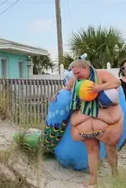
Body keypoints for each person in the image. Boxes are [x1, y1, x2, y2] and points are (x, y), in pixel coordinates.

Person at [52, 58, 122, 187]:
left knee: (110, 148)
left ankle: (115, 173)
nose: (76, 76)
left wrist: (99, 88)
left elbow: (117, 82)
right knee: (92, 149)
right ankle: (93, 179)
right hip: (85, 118)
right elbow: (67, 88)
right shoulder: (76, 80)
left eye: (78, 73)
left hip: (105, 117)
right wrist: (58, 93)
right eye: (74, 74)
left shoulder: (100, 74)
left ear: (86, 68)